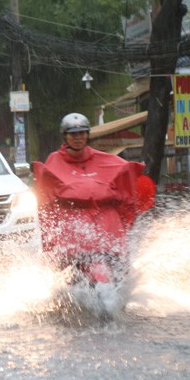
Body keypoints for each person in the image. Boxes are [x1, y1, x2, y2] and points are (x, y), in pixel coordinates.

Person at [32, 112, 156, 284]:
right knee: (71, 269)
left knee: (119, 266)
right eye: (73, 134)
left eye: (82, 133)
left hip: (107, 226)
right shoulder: (54, 160)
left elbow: (126, 174)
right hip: (74, 228)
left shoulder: (103, 158)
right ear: (65, 136)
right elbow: (46, 194)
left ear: (88, 135)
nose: (78, 138)